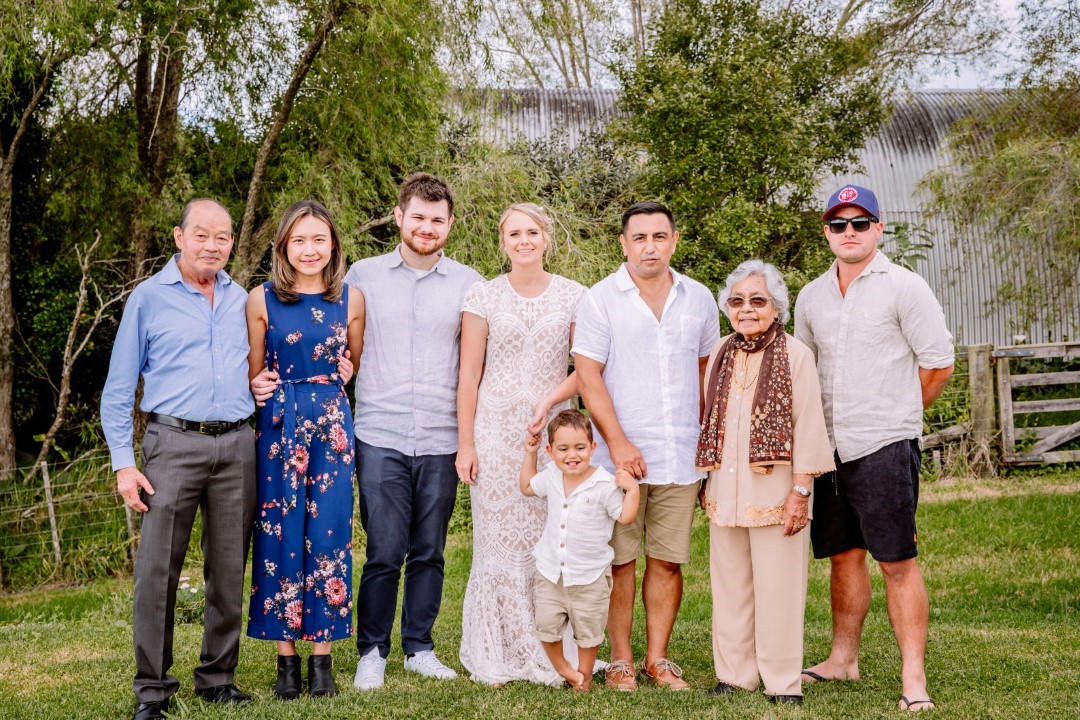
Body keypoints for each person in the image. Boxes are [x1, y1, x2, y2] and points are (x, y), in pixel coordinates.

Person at [795, 185, 954, 713]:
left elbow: (938, 364)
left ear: (878, 229)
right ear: (826, 233)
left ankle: (914, 679)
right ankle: (843, 659)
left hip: (884, 443)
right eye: (839, 225)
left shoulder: (905, 287)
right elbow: (805, 372)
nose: (850, 233)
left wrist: (899, 412)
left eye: (860, 223)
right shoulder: (811, 296)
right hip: (829, 447)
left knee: (896, 560)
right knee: (844, 556)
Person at [101, 199, 257, 720]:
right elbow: (118, 390)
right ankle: (152, 690)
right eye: (202, 235)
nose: (213, 245)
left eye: (222, 236)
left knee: (229, 568)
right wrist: (124, 463)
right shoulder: (148, 299)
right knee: (157, 571)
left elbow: (263, 365)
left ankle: (218, 677)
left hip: (237, 444)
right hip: (172, 444)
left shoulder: (244, 299)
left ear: (232, 242)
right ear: (179, 237)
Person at [573, 201, 721, 691]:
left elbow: (707, 374)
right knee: (619, 562)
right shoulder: (600, 299)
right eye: (639, 238)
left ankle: (657, 658)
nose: (650, 247)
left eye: (660, 236)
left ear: (674, 241)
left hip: (681, 453)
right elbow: (588, 376)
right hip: (619, 459)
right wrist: (617, 442)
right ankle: (620, 660)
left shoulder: (699, 299)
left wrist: (708, 448)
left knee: (668, 560)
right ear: (624, 244)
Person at [345, 173, 483, 690]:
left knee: (429, 549)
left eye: (437, 220)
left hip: (442, 436)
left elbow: (475, 362)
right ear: (400, 217)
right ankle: (372, 651)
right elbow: (342, 344)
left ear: (450, 224)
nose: (427, 227)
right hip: (379, 432)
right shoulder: (363, 275)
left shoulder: (469, 283)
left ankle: (419, 647)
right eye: (418, 217)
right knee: (383, 551)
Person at [457, 203, 587, 686]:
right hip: (494, 433)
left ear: (546, 238)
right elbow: (469, 374)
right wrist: (466, 444)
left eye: (532, 232)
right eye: (515, 233)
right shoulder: (483, 295)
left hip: (552, 434)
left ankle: (549, 646)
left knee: (548, 536)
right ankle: (497, 647)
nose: (524, 240)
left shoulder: (574, 295)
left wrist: (551, 401)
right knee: (495, 541)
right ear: (503, 241)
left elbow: (585, 368)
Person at [696, 260, 835, 706]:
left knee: (779, 590)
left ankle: (781, 682)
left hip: (777, 494)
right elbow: (710, 420)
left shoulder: (796, 355)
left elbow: (808, 426)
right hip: (725, 491)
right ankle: (735, 675)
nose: (747, 309)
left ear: (777, 308)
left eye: (758, 301)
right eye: (737, 301)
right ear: (727, 308)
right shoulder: (719, 352)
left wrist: (801, 491)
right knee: (730, 588)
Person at [245, 201, 364, 698]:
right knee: (280, 533)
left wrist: (348, 370)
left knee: (329, 532)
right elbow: (254, 372)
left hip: (332, 426)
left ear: (332, 244)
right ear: (283, 246)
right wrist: (255, 385)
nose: (309, 249)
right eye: (299, 240)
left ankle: (322, 661)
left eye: (318, 239)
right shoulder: (260, 299)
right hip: (280, 426)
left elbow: (353, 363)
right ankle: (286, 663)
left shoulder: (352, 299)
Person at [519, 410, 640, 691]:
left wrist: (632, 490)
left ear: (592, 448)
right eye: (563, 449)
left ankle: (583, 677)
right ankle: (565, 670)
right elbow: (526, 486)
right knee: (546, 627)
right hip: (551, 572)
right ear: (550, 451)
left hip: (590, 575)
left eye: (580, 448)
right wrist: (530, 453)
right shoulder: (551, 475)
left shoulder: (604, 483)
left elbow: (625, 516)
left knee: (588, 633)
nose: (572, 455)